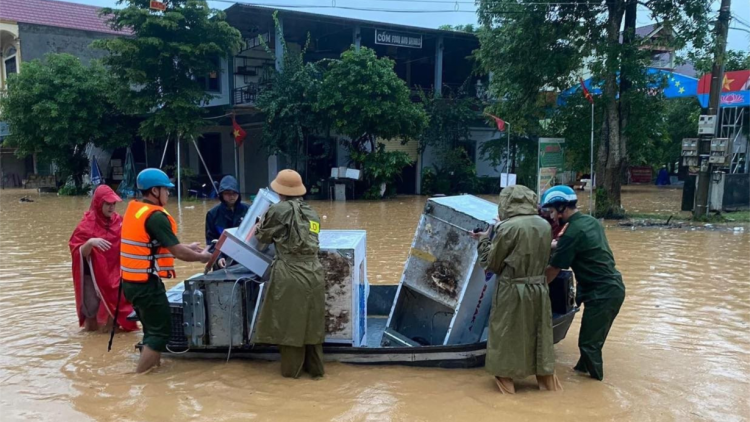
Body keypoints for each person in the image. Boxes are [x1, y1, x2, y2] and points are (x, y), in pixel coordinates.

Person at [472, 185, 562, 394]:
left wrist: (483, 240)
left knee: (505, 337)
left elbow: (492, 264)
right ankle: (549, 389)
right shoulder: (544, 225)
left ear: (506, 203)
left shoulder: (507, 228)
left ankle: (508, 395)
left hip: (512, 289)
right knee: (539, 334)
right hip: (539, 288)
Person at [121, 168, 212, 373]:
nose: (169, 194)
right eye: (166, 189)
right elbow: (178, 253)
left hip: (130, 282)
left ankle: (153, 372)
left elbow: (151, 246)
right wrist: (203, 257)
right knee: (160, 334)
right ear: (155, 191)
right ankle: (139, 378)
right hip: (146, 285)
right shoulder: (156, 217)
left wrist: (189, 247)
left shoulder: (136, 210)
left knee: (150, 331)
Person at [543, 186, 626, 381]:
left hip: (601, 293)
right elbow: (567, 244)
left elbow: (553, 271)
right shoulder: (590, 222)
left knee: (589, 345)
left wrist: (533, 287)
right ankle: (581, 373)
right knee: (591, 340)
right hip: (611, 287)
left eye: (553, 211)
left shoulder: (572, 232)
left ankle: (596, 389)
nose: (553, 217)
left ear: (562, 207)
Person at [253, 169, 326, 379]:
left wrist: (259, 225)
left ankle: (290, 381)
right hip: (315, 272)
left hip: (291, 274)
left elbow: (262, 239)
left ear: (279, 190)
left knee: (290, 330)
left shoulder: (278, 210)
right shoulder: (312, 212)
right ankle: (317, 374)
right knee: (313, 330)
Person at [69, 185, 138, 333]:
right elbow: (77, 251)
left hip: (115, 274)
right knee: (91, 316)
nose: (112, 207)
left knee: (118, 309)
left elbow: (136, 240)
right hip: (92, 276)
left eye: (114, 204)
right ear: (99, 203)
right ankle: (91, 345)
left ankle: (110, 338)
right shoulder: (87, 225)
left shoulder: (120, 222)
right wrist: (90, 242)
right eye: (108, 203)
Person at [205, 175, 250, 267]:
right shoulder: (212, 214)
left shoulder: (249, 210)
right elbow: (211, 241)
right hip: (222, 259)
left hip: (245, 257)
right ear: (221, 194)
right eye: (228, 193)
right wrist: (218, 258)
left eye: (234, 193)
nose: (232, 196)